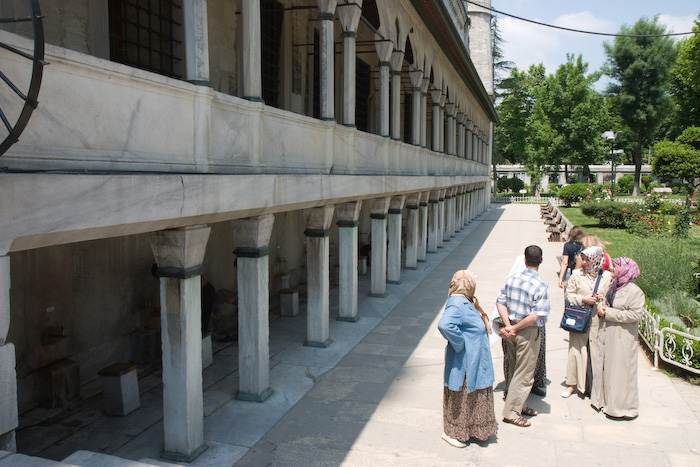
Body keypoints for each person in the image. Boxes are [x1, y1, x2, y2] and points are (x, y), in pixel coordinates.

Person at [438, 270, 497, 447]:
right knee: (463, 394)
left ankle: (472, 429)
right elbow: (445, 325)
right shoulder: (456, 302)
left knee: (473, 393)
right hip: (466, 361)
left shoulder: (465, 301)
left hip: (475, 359)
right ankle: (454, 432)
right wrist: (460, 343)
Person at [497, 245, 550, 427]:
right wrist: (516, 328)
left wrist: (509, 326)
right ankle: (511, 413)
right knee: (525, 374)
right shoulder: (540, 286)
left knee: (513, 369)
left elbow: (500, 302)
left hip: (511, 329)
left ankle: (520, 404)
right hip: (527, 333)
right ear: (541, 261)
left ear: (525, 260)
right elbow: (535, 316)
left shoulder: (511, 279)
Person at [591, 257, 645, 419]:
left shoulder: (635, 292)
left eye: (614, 267)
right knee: (606, 367)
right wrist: (600, 304)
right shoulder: (613, 285)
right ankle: (603, 400)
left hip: (622, 337)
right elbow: (605, 303)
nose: (611, 270)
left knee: (620, 372)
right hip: (607, 333)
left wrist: (609, 313)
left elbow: (635, 315)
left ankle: (621, 407)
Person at [562, 246, 612, 398]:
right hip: (580, 318)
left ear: (596, 260)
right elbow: (568, 295)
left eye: (588, 259)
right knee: (576, 351)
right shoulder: (577, 274)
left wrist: (601, 300)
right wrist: (583, 299)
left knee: (596, 352)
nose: (584, 262)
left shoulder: (606, 276)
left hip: (598, 319)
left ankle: (594, 385)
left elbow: (610, 297)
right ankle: (572, 384)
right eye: (583, 259)